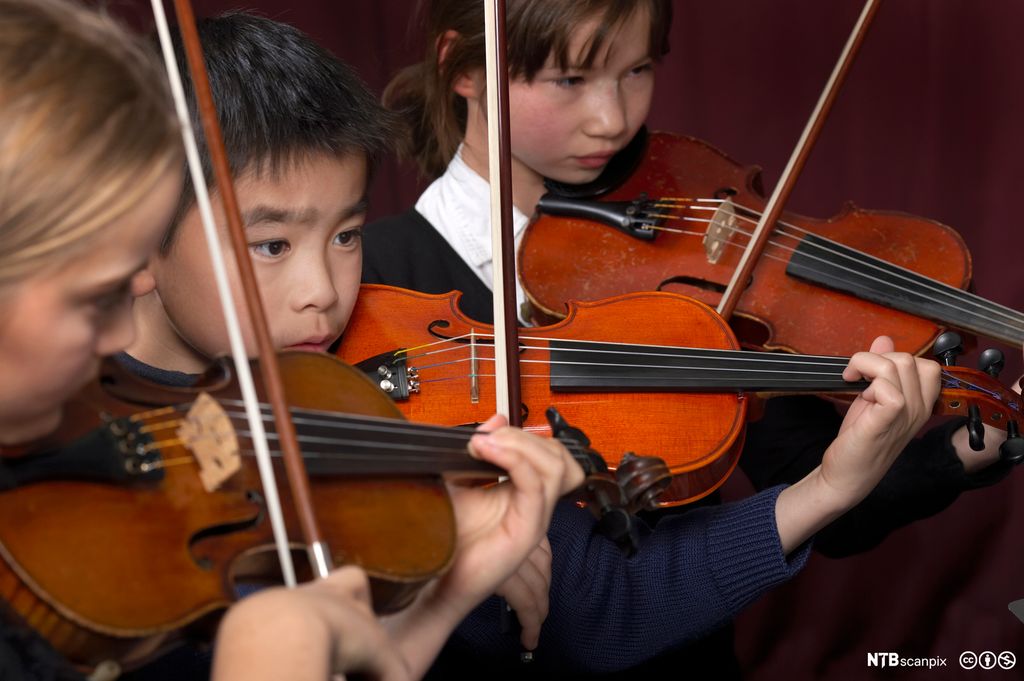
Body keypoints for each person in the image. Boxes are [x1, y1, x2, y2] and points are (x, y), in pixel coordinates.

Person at [114, 10, 959, 679]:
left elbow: (604, 609)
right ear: (138, 241)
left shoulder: (396, 384)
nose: (323, 292)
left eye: (345, 235)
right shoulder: (62, 423)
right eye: (272, 245)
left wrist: (829, 486)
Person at [360, 0, 1017, 675]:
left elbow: (810, 491)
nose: (613, 118)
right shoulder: (375, 286)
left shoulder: (688, 244)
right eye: (570, 80)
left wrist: (950, 456)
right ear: (464, 70)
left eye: (636, 69)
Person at [0, 3, 582, 681]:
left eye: (346, 234)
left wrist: (437, 602)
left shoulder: (317, 405)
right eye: (92, 293)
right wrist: (268, 645)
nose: (321, 291)